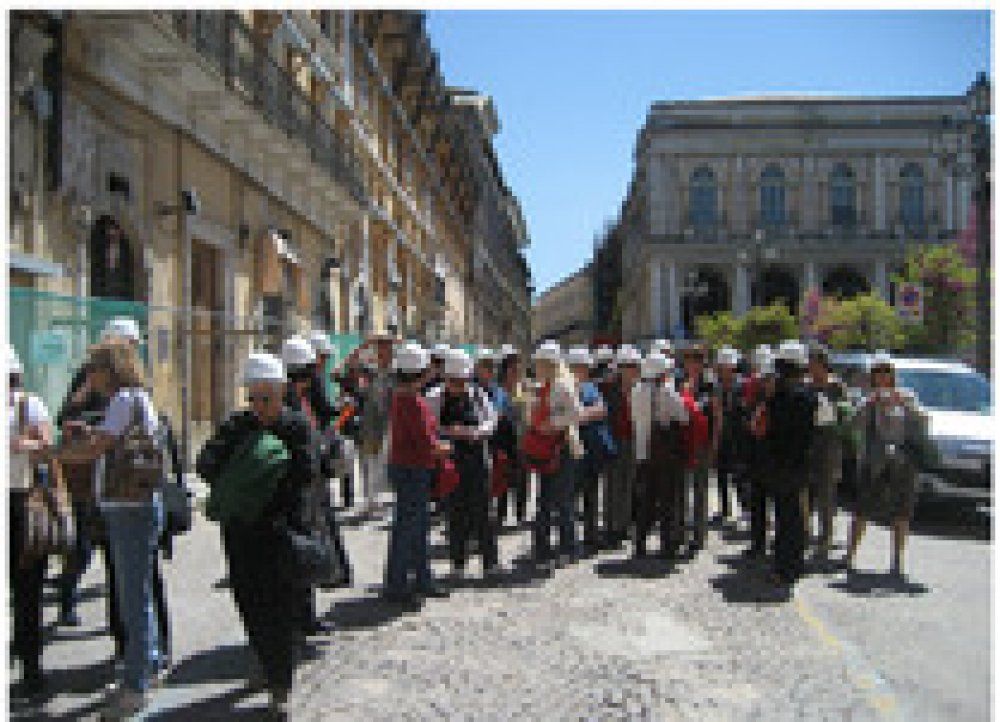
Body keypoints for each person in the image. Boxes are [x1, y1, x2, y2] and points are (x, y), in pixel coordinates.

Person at [196, 352, 316, 717]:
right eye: (255, 397)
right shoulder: (236, 427)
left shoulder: (294, 428)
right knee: (249, 602)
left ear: (282, 393)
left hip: (278, 532)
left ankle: (280, 684)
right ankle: (265, 664)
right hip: (240, 532)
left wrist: (269, 474)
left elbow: (306, 474)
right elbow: (205, 465)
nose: (261, 405)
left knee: (278, 607)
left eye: (268, 397)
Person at [57, 339, 167, 718]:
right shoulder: (133, 399)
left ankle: (135, 685)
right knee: (138, 596)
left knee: (132, 600)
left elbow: (98, 447)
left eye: (94, 368)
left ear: (110, 369)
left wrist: (54, 453)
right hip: (133, 506)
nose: (90, 375)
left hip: (129, 509)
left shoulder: (124, 400)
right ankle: (145, 667)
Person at [845, 351, 926, 577]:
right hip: (874, 460)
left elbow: (923, 419)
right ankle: (850, 555)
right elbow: (853, 425)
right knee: (862, 509)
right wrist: (869, 404)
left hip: (902, 460)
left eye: (886, 372)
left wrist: (903, 403)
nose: (882, 377)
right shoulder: (867, 400)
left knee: (902, 511)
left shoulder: (907, 396)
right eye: (877, 372)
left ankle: (897, 561)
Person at [383, 343, 452, 603]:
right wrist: (445, 448)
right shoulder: (411, 401)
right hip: (413, 469)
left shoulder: (402, 398)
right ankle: (398, 585)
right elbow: (425, 442)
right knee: (408, 529)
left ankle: (421, 579)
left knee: (415, 527)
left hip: (408, 468)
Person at [425, 349, 501, 579]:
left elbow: (492, 420)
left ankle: (490, 562)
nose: (457, 386)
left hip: (477, 458)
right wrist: (447, 432)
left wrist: (474, 432)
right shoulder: (434, 397)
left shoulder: (478, 395)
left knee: (483, 513)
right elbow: (429, 426)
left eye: (461, 381)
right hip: (450, 461)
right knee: (455, 513)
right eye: (453, 381)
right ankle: (458, 563)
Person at [281, 336, 337, 636]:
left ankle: (307, 618)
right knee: (298, 556)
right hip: (297, 490)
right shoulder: (286, 404)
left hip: (311, 486)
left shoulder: (302, 398)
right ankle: (297, 622)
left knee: (309, 552)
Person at [8, 345, 55, 698]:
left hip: (22, 503)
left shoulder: (29, 405)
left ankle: (31, 668)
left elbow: (45, 446)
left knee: (27, 591)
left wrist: (16, 444)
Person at [761, 340, 817, 590]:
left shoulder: (778, 397)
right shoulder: (809, 397)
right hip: (800, 463)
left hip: (778, 462)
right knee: (794, 516)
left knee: (785, 517)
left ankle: (784, 566)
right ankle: (791, 564)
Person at [524, 341, 582, 569]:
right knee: (545, 501)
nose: (536, 368)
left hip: (561, 447)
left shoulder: (561, 386)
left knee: (563, 501)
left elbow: (575, 412)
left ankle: (568, 548)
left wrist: (552, 424)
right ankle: (543, 549)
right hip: (546, 448)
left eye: (539, 364)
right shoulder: (545, 386)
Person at [631, 352, 688, 559]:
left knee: (646, 499)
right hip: (664, 453)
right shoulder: (667, 391)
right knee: (667, 500)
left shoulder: (636, 390)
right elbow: (683, 417)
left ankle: (639, 543)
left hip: (642, 451)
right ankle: (667, 544)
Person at [805, 343, 850, 563]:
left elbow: (846, 413)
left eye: (815, 363)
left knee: (826, 492)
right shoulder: (806, 386)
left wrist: (834, 410)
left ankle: (826, 537)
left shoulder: (836, 386)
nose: (812, 368)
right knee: (806, 491)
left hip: (830, 443)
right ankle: (805, 533)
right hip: (808, 442)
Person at [565, 346, 612, 552]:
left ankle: (591, 536)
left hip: (592, 450)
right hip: (573, 450)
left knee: (591, 495)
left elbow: (602, 410)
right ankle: (571, 540)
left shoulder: (591, 388)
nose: (583, 370)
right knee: (570, 496)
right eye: (580, 367)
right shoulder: (565, 388)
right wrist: (583, 414)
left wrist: (581, 414)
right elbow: (571, 416)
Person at [679, 342, 716, 551]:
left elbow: (716, 415)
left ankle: (699, 534)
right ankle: (682, 531)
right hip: (684, 441)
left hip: (702, 441)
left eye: (697, 360)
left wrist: (715, 445)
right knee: (683, 488)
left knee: (700, 488)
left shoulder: (709, 384)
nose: (692, 365)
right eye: (689, 360)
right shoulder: (678, 381)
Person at [604, 345, 641, 548]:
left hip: (634, 440)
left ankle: (624, 526)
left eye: (634, 365)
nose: (632, 369)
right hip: (615, 440)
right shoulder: (608, 388)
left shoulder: (641, 388)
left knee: (629, 484)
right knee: (613, 485)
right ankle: (611, 527)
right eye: (628, 365)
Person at [744, 345, 776, 559]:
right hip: (758, 455)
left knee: (772, 502)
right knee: (758, 501)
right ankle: (758, 542)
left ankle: (768, 542)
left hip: (773, 457)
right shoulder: (755, 397)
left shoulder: (779, 400)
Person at [713, 347, 746, 526]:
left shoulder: (741, 386)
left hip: (738, 436)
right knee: (721, 473)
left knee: (739, 475)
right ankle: (725, 508)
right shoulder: (717, 387)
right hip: (723, 435)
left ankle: (745, 508)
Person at [496, 347, 530, 526]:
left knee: (522, 479)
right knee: (503, 478)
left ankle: (520, 514)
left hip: (522, 440)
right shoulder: (499, 390)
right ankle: (500, 515)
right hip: (503, 440)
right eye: (512, 366)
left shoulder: (524, 387)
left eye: (517, 366)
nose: (515, 370)